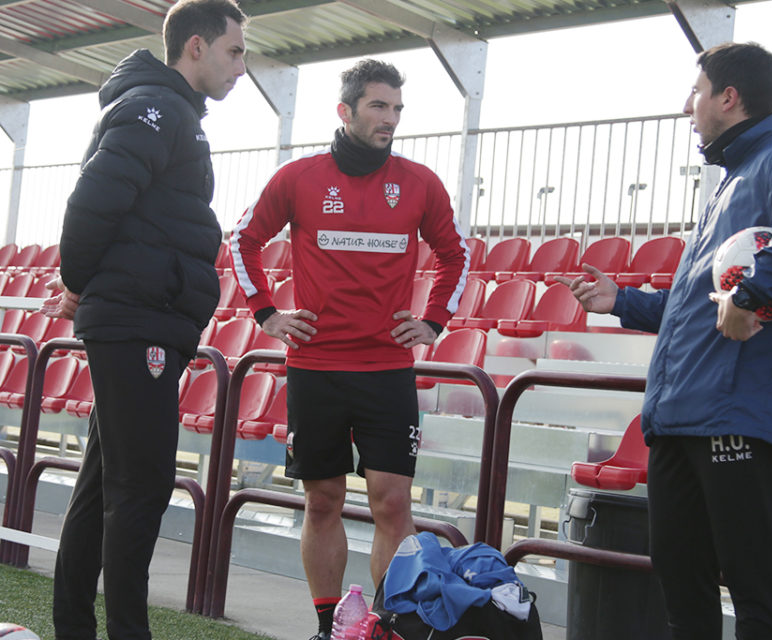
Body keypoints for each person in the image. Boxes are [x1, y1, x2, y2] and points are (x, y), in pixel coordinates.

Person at [555, 42, 772, 639]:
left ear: (728, 97)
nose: (686, 105)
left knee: (756, 597)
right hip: (678, 420)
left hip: (734, 418)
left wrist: (752, 295)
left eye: (696, 91)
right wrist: (622, 301)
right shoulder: (729, 182)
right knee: (682, 595)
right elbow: (695, 308)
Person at [230, 59, 469, 640]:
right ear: (346, 110)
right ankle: (328, 626)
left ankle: (386, 627)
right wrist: (267, 313)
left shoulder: (420, 182)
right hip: (316, 368)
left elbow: (455, 254)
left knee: (393, 503)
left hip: (387, 369)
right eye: (379, 106)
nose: (391, 118)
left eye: (397, 108)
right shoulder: (299, 178)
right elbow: (243, 240)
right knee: (323, 500)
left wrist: (433, 321)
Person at [41, 1, 247, 638]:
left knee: (103, 485)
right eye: (234, 51)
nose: (242, 67)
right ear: (195, 46)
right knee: (144, 486)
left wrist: (84, 286)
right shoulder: (156, 108)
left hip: (145, 317)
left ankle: (74, 627)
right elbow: (93, 199)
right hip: (137, 321)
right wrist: (78, 283)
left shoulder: (170, 111)